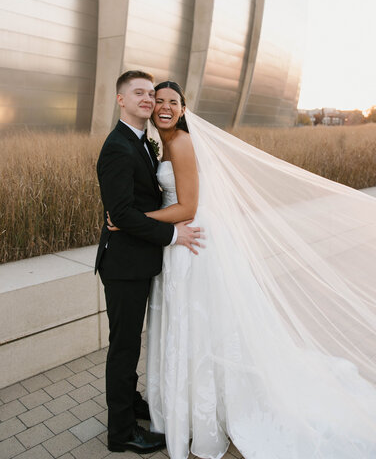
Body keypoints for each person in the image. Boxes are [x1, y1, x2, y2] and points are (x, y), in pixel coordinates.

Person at [108, 81, 376, 459]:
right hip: (176, 242)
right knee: (190, 325)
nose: (164, 107)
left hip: (192, 242)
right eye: (159, 101)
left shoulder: (182, 143)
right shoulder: (157, 144)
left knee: (198, 324)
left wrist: (131, 219)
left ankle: (211, 407)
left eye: (173, 102)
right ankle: (189, 400)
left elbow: (187, 207)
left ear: (184, 110)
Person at [95, 71, 201, 453]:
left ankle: (130, 402)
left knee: (132, 343)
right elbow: (121, 212)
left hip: (141, 259)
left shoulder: (144, 141)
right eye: (139, 93)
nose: (149, 100)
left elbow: (146, 203)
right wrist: (173, 234)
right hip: (123, 265)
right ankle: (121, 432)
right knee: (123, 347)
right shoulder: (117, 146)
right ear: (120, 99)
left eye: (150, 94)